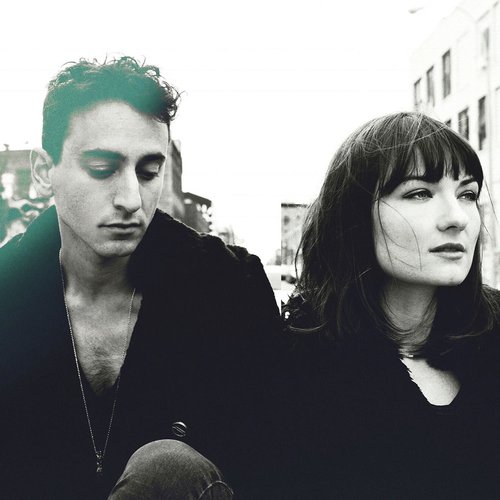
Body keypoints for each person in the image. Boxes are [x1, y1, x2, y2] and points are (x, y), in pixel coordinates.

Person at [0, 56, 280, 499]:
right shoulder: (7, 293)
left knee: (167, 468)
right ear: (42, 172)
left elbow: (272, 461)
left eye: (149, 172)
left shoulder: (228, 288)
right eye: (102, 168)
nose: (131, 198)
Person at [281, 112, 500, 499]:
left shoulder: (492, 337)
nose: (457, 219)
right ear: (354, 215)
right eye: (420, 193)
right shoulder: (300, 364)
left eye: (467, 194)